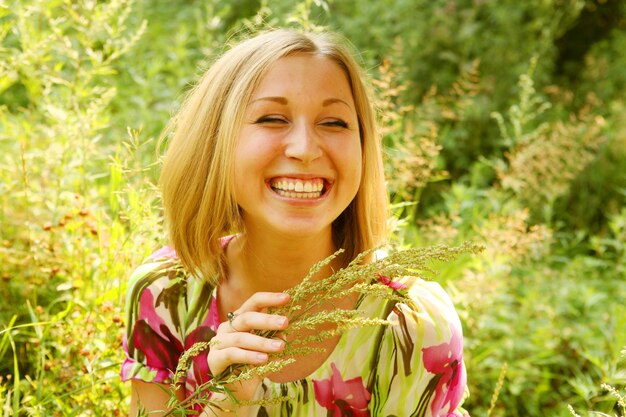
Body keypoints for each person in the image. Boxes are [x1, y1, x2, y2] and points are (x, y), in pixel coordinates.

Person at [121, 28, 470, 417]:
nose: (304, 149)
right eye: (272, 118)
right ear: (217, 141)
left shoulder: (411, 325)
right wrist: (228, 400)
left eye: (334, 123)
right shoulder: (165, 293)